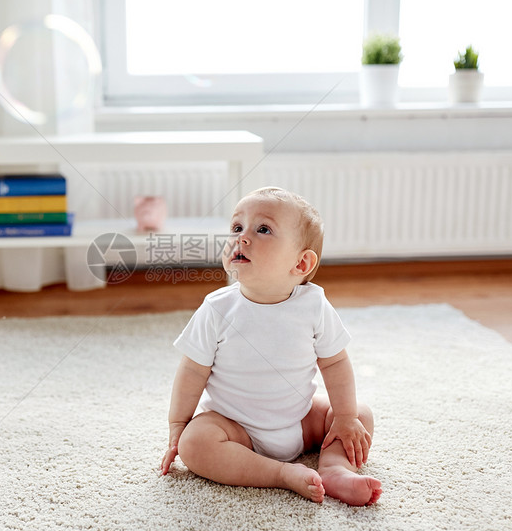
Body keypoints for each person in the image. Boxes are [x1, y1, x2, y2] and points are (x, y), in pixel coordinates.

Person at [159, 187, 382, 506]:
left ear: (301, 263)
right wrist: (178, 426)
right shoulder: (217, 308)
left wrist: (344, 416)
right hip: (235, 427)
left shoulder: (314, 305)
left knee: (359, 415)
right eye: (237, 228)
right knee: (195, 443)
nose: (242, 237)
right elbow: (193, 371)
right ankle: (279, 474)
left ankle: (334, 468)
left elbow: (334, 364)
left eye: (262, 229)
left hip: (301, 421)